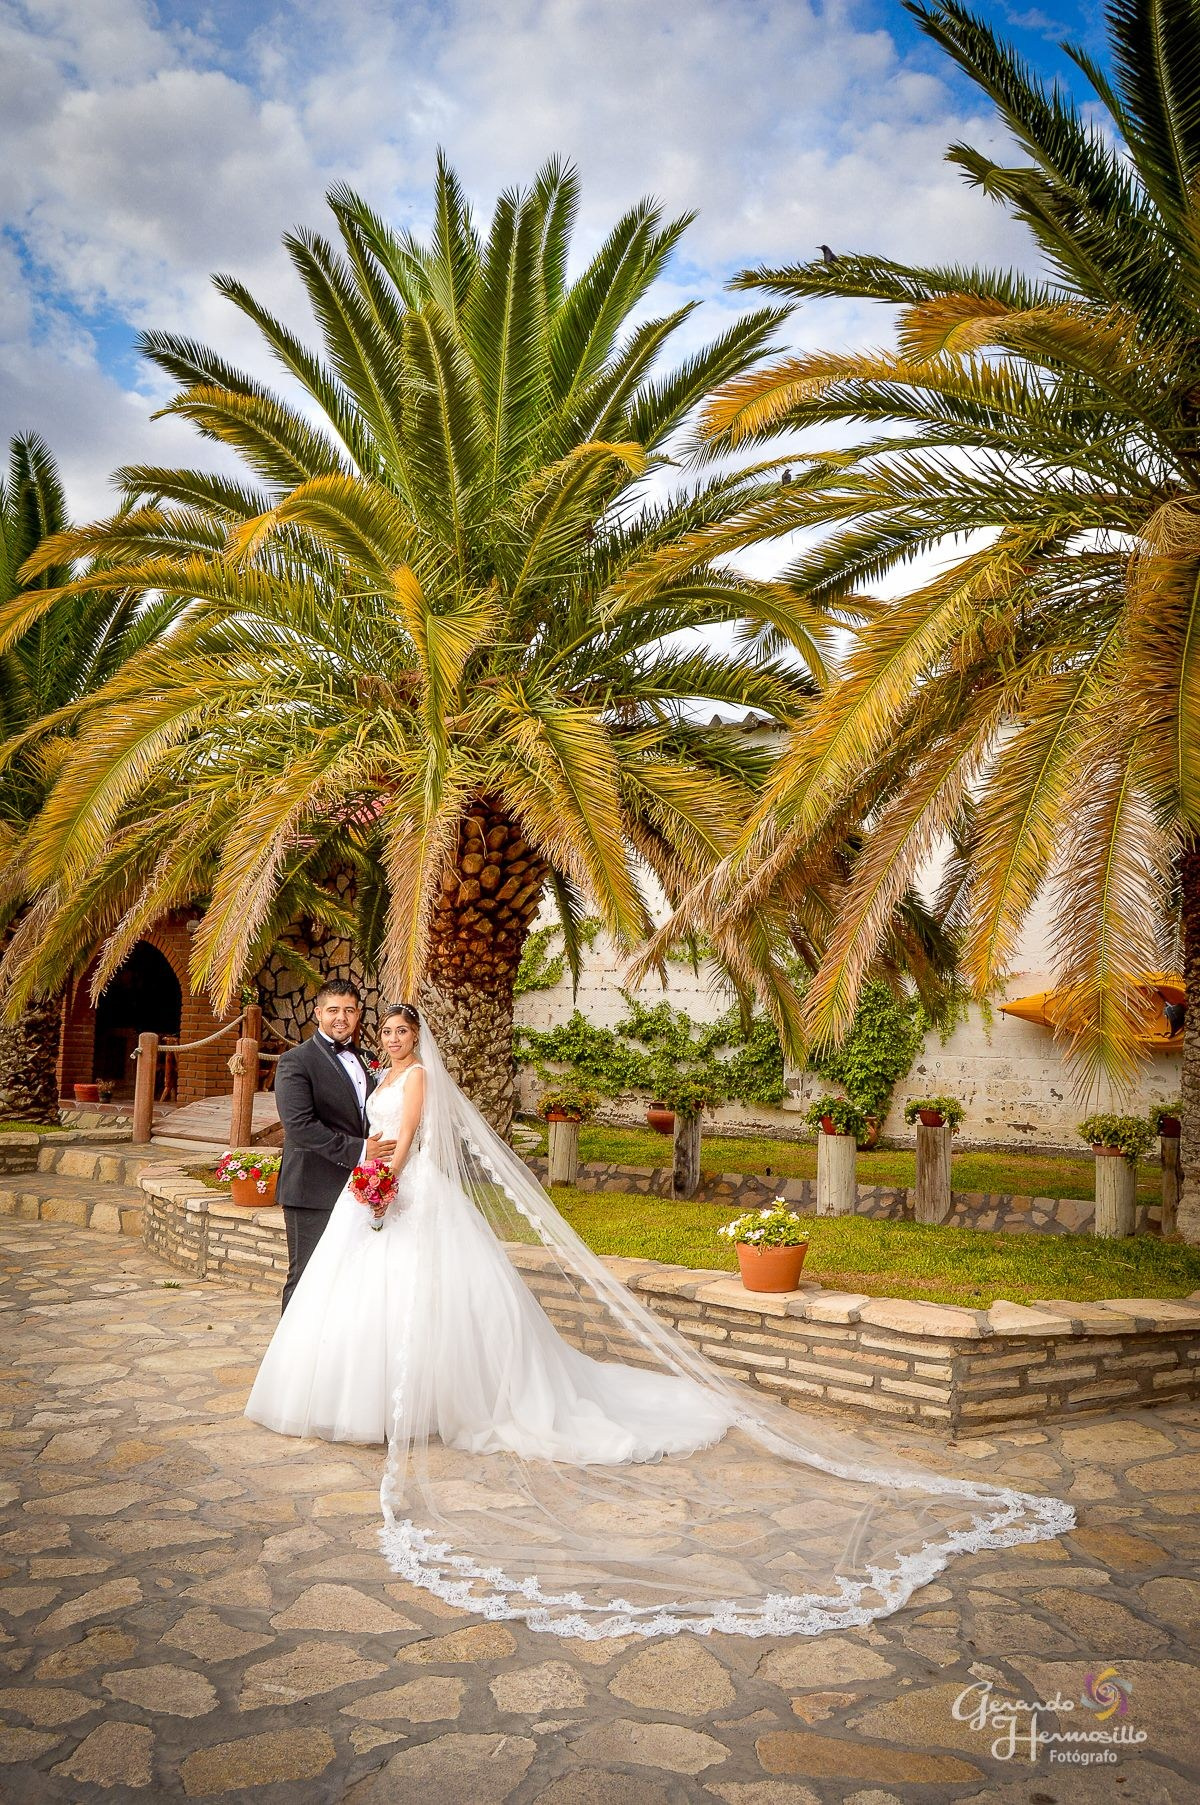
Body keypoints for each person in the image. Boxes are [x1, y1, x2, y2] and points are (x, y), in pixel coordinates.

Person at [246, 1002, 1075, 1641]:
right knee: (363, 1302)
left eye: (395, 1029)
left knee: (437, 1307)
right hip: (371, 1200)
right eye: (379, 1028)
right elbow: (356, 1131)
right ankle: (373, 1400)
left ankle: (437, 1402)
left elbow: (408, 1144)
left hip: (404, 1195)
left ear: (412, 1038)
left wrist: (380, 1179)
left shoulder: (415, 1079)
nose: (386, 1038)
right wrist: (370, 1179)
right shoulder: (367, 1070)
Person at [272, 979, 394, 1313]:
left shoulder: (368, 1059)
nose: (341, 1017)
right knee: (307, 1274)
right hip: (311, 1186)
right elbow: (299, 1125)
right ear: (318, 1014)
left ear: (358, 1015)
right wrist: (360, 1150)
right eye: (333, 1010)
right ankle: (290, 1360)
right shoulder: (295, 1061)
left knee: (348, 1276)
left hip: (358, 1187)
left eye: (349, 1010)